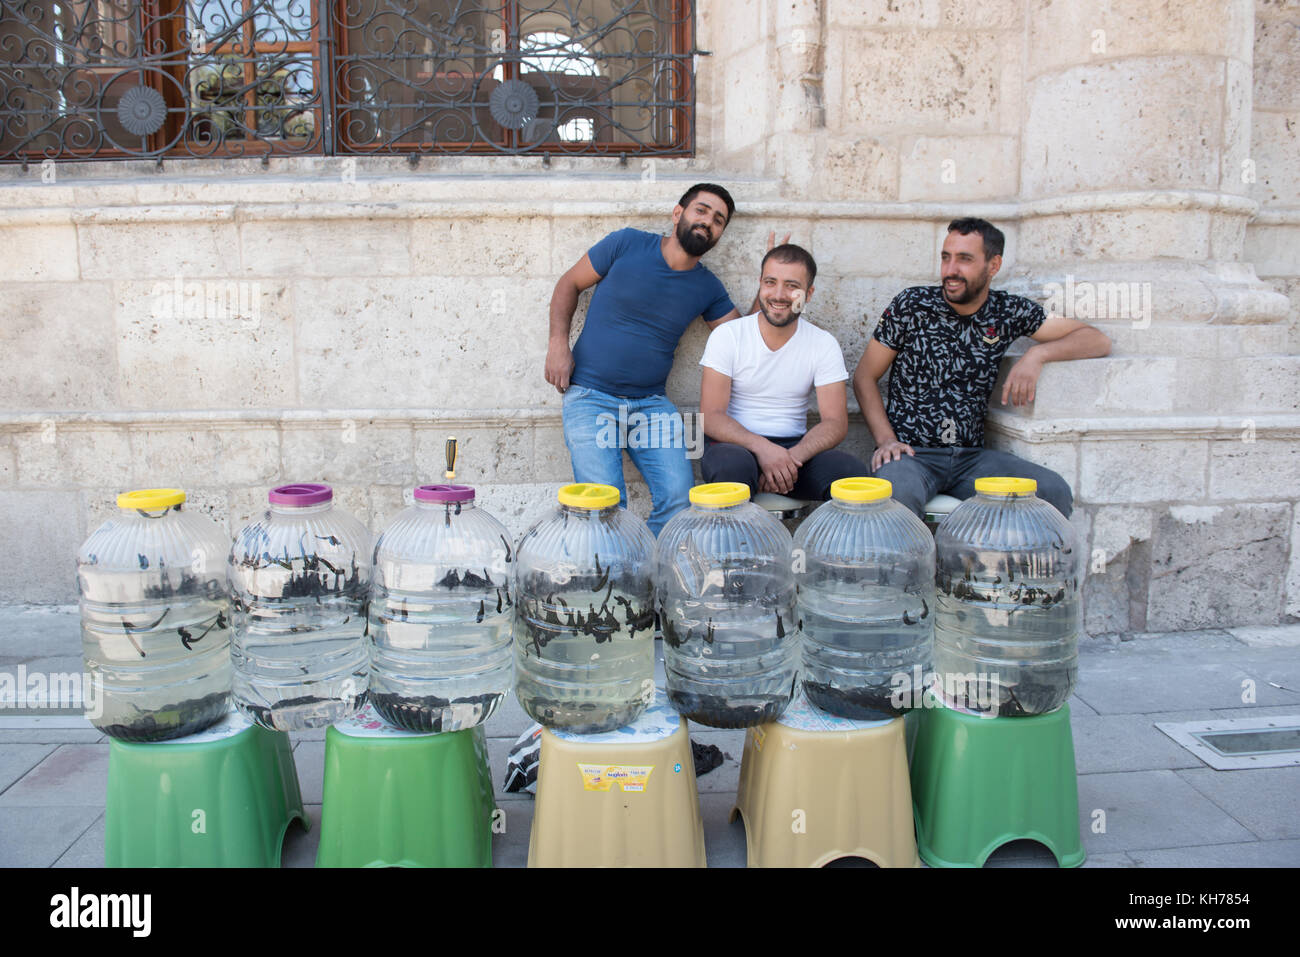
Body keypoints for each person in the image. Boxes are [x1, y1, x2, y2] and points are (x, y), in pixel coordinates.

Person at [853, 217, 1111, 518]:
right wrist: (885, 440)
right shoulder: (912, 305)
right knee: (895, 497)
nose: (951, 270)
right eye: (946, 258)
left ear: (993, 264)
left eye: (964, 259)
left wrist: (1037, 355)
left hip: (971, 459)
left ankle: (1009, 565)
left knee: (1052, 490)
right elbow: (865, 377)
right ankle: (911, 566)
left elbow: (1097, 340)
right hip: (911, 454)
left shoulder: (1007, 311)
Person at [544, 184, 744, 535]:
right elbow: (568, 284)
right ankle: (620, 579)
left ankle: (644, 570)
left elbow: (743, 337)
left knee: (680, 501)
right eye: (701, 210)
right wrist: (558, 343)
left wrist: (771, 289)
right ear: (678, 213)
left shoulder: (708, 287)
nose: (707, 222)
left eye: (718, 219)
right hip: (590, 398)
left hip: (651, 406)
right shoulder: (627, 244)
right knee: (604, 506)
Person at [699, 244, 867, 499]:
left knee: (849, 472)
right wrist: (763, 449)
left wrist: (788, 461)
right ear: (760, 284)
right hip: (736, 447)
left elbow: (835, 423)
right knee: (730, 466)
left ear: (808, 293)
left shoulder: (822, 343)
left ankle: (820, 540)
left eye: (791, 286)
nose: (779, 294)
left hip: (796, 451)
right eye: (770, 282)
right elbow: (710, 416)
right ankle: (735, 540)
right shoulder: (729, 335)